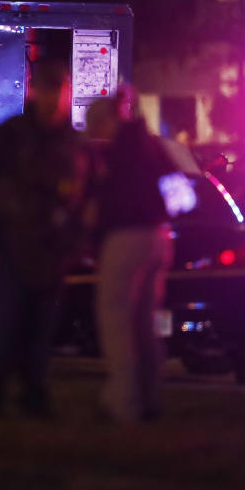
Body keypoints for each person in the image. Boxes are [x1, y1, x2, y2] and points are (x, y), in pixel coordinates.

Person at [0, 61, 89, 417]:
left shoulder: (71, 143)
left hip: (51, 253)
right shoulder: (9, 137)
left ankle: (33, 395)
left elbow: (81, 199)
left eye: (61, 93)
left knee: (40, 332)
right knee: (4, 327)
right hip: (11, 247)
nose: (54, 101)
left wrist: (74, 243)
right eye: (49, 92)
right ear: (35, 93)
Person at [86, 85, 176, 423]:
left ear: (108, 120)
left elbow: (101, 203)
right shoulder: (151, 144)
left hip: (124, 238)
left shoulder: (118, 153)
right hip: (158, 237)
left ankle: (122, 402)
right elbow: (180, 191)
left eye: (96, 127)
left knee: (116, 321)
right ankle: (151, 399)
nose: (95, 135)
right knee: (144, 323)